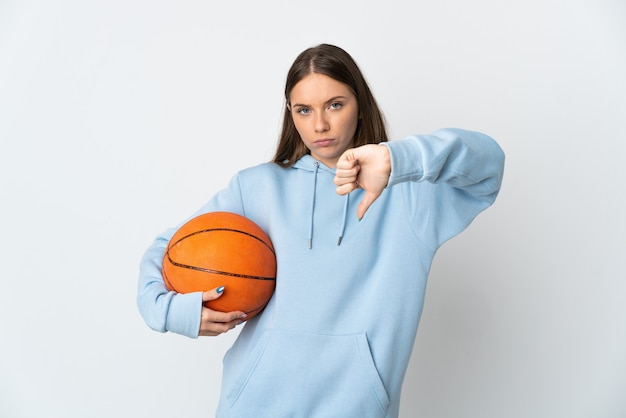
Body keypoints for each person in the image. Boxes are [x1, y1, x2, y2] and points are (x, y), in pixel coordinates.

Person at [137, 43, 505, 418]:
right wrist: (171, 312)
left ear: (359, 103)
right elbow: (169, 247)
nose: (320, 125)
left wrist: (397, 159)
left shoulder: (410, 195)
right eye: (304, 110)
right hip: (251, 407)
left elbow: (489, 165)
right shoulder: (256, 188)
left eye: (335, 104)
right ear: (290, 113)